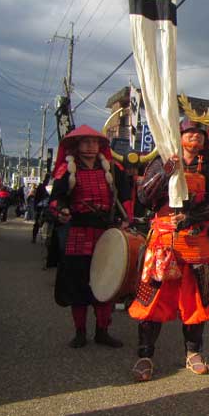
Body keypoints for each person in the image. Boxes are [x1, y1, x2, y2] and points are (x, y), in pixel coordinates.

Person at [128, 103, 209, 381]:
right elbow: (144, 198)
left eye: (201, 134)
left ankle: (193, 352)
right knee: (151, 300)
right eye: (190, 132)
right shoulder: (161, 161)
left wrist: (191, 217)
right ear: (179, 135)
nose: (196, 137)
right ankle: (145, 355)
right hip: (163, 241)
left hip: (196, 243)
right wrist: (166, 172)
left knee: (196, 302)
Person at [49, 125, 132, 349]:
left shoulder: (113, 169)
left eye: (94, 142)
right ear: (77, 145)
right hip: (78, 231)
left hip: (106, 231)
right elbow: (56, 198)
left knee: (106, 281)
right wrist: (61, 211)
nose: (90, 146)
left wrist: (126, 218)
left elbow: (125, 196)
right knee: (78, 283)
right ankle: (80, 332)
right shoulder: (67, 170)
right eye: (85, 142)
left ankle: (102, 331)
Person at [32, 175, 50, 243]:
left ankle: (36, 238)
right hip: (41, 207)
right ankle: (34, 238)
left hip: (47, 207)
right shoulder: (42, 186)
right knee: (38, 222)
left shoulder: (50, 186)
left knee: (39, 223)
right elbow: (36, 197)